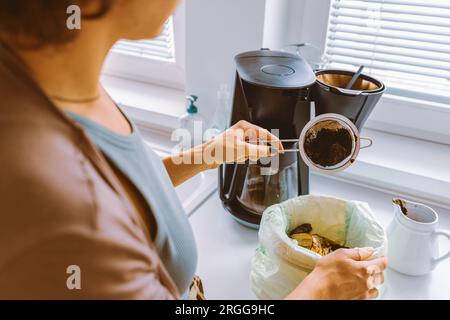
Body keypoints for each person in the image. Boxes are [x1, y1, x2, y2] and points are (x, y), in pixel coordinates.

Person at [0, 0, 386, 299]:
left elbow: (122, 193)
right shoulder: (53, 208)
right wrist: (319, 290)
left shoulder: (50, 80)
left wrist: (206, 155)